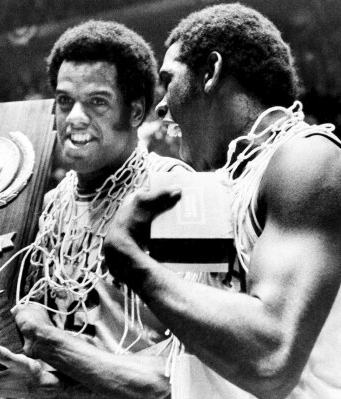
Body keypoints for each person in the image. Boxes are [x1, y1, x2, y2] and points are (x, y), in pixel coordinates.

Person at [0, 20, 205, 398]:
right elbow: (22, 344)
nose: (74, 117)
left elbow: (187, 376)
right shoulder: (50, 206)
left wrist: (48, 357)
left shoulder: (178, 195)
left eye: (97, 101)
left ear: (137, 112)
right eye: (64, 101)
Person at [103, 3, 341, 398]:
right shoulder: (226, 183)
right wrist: (54, 358)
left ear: (210, 72)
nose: (161, 105)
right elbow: (182, 370)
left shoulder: (307, 159)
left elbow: (271, 360)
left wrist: (132, 261)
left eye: (169, 79)